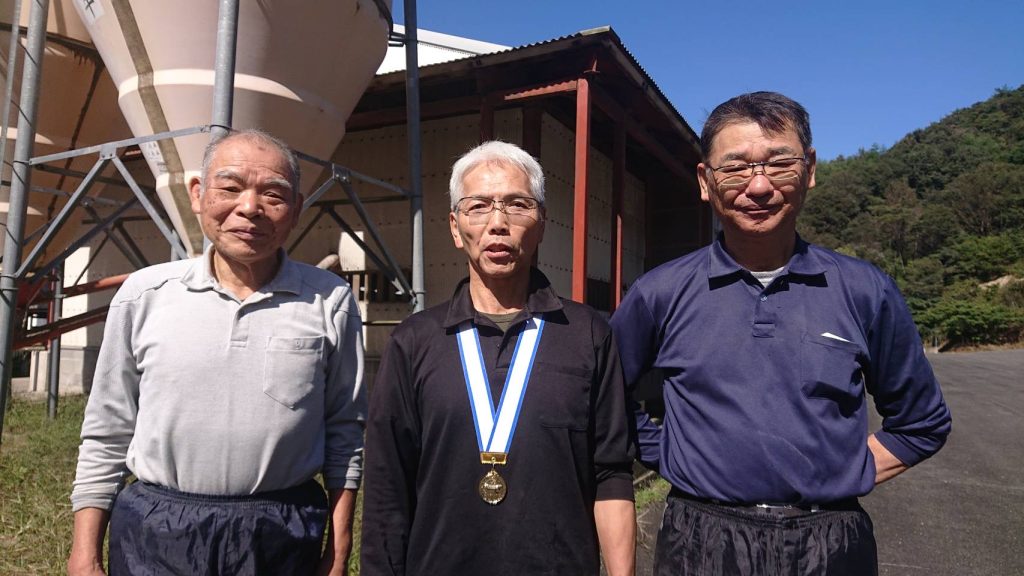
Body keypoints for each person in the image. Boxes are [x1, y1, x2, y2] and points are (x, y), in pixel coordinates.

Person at [610, 92, 952, 575]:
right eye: (735, 168)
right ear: (705, 182)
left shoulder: (865, 290)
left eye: (779, 164)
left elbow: (921, 422)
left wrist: (846, 471)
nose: (759, 186)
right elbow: (606, 395)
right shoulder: (659, 293)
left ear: (809, 169)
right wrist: (666, 452)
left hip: (830, 543)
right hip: (701, 539)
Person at [67, 129, 366, 576]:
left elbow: (346, 432)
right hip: (157, 528)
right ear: (197, 194)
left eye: (273, 194)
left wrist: (338, 552)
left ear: (296, 209)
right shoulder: (145, 295)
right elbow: (107, 430)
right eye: (230, 187)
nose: (250, 207)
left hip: (281, 531)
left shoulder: (329, 300)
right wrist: (85, 552)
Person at [360, 140, 636, 576]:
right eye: (479, 206)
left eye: (517, 205)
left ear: (542, 224)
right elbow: (386, 488)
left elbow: (612, 472)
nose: (498, 223)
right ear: (455, 228)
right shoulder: (413, 341)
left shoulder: (587, 333)